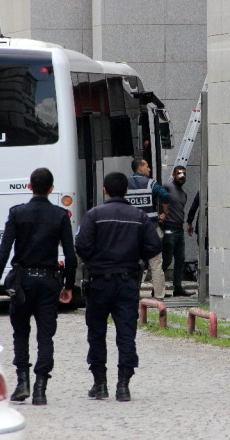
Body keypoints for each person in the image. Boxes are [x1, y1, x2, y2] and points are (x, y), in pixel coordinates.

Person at [0, 168, 77, 406]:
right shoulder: (60, 215)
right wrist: (68, 284)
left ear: (29, 186)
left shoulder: (17, 213)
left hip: (22, 280)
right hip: (48, 281)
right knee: (46, 334)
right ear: (51, 188)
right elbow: (70, 254)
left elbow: (4, 249)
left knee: (21, 331)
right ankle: (40, 387)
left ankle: (22, 382)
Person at [75, 172, 161, 402]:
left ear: (105, 190)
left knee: (96, 333)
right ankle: (123, 385)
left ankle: (100, 384)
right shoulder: (139, 217)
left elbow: (81, 245)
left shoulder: (94, 215)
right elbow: (154, 246)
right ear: (126, 191)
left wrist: (95, 260)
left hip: (99, 282)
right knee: (126, 334)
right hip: (127, 282)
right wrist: (136, 256)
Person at [127, 158, 170, 300]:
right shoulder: (151, 183)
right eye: (147, 166)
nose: (149, 169)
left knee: (132, 263)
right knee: (156, 264)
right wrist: (165, 213)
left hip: (132, 231)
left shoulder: (126, 184)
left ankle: (133, 293)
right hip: (151, 229)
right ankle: (159, 296)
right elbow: (165, 195)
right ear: (140, 168)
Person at [162, 165, 194, 297]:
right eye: (179, 173)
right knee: (166, 260)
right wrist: (159, 214)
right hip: (168, 228)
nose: (182, 176)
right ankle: (158, 288)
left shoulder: (183, 193)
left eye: (184, 174)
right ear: (174, 175)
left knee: (180, 259)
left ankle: (178, 287)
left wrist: (188, 223)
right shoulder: (167, 187)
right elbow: (157, 196)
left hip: (179, 229)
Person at [186, 190, 208, 265]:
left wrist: (189, 223)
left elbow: (194, 207)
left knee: (204, 248)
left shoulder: (204, 189)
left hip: (203, 228)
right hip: (210, 228)